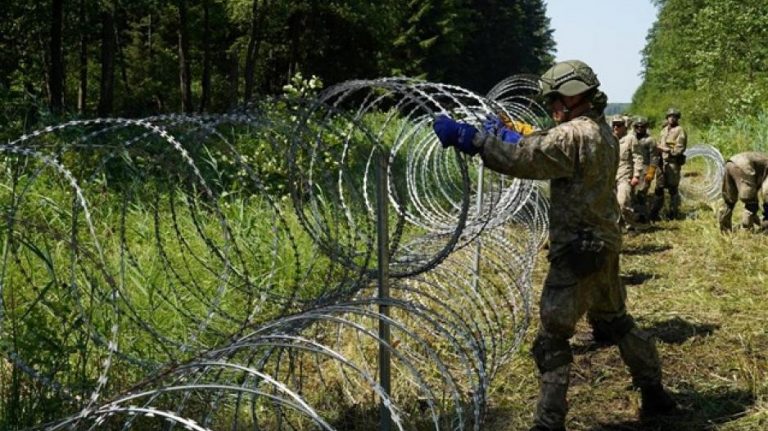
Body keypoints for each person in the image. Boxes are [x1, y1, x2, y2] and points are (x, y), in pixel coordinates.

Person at [432, 60, 677, 431]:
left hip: (576, 251)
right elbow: (542, 147)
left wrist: (475, 140)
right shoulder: (601, 131)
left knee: (552, 339)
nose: (551, 108)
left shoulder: (571, 135)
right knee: (618, 322)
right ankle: (655, 393)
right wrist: (512, 136)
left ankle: (549, 422)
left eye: (554, 100)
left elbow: (526, 159)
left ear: (571, 95)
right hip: (604, 243)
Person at [650, 108, 687, 220]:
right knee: (659, 188)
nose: (672, 118)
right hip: (662, 164)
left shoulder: (680, 131)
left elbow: (679, 149)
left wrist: (665, 150)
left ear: (677, 118)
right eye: (670, 116)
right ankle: (655, 212)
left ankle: (673, 213)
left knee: (673, 189)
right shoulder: (664, 130)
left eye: (674, 116)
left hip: (673, 164)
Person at [718, 151, 768, 232]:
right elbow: (766, 191)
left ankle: (724, 229)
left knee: (729, 202)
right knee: (751, 204)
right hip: (745, 167)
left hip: (731, 163)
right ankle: (746, 231)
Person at [612, 115, 645, 231]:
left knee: (623, 202)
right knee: (612, 205)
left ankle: (631, 224)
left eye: (619, 125)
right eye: (614, 124)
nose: (616, 127)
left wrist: (636, 175)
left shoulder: (630, 139)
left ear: (624, 126)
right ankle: (618, 227)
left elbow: (638, 157)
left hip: (625, 175)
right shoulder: (610, 139)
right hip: (611, 177)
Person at [632, 116, 659, 223]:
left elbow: (654, 157)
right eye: (637, 126)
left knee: (641, 194)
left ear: (646, 127)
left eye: (642, 126)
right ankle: (634, 214)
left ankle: (643, 217)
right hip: (633, 169)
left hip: (645, 169)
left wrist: (651, 173)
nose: (639, 128)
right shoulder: (632, 138)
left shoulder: (650, 140)